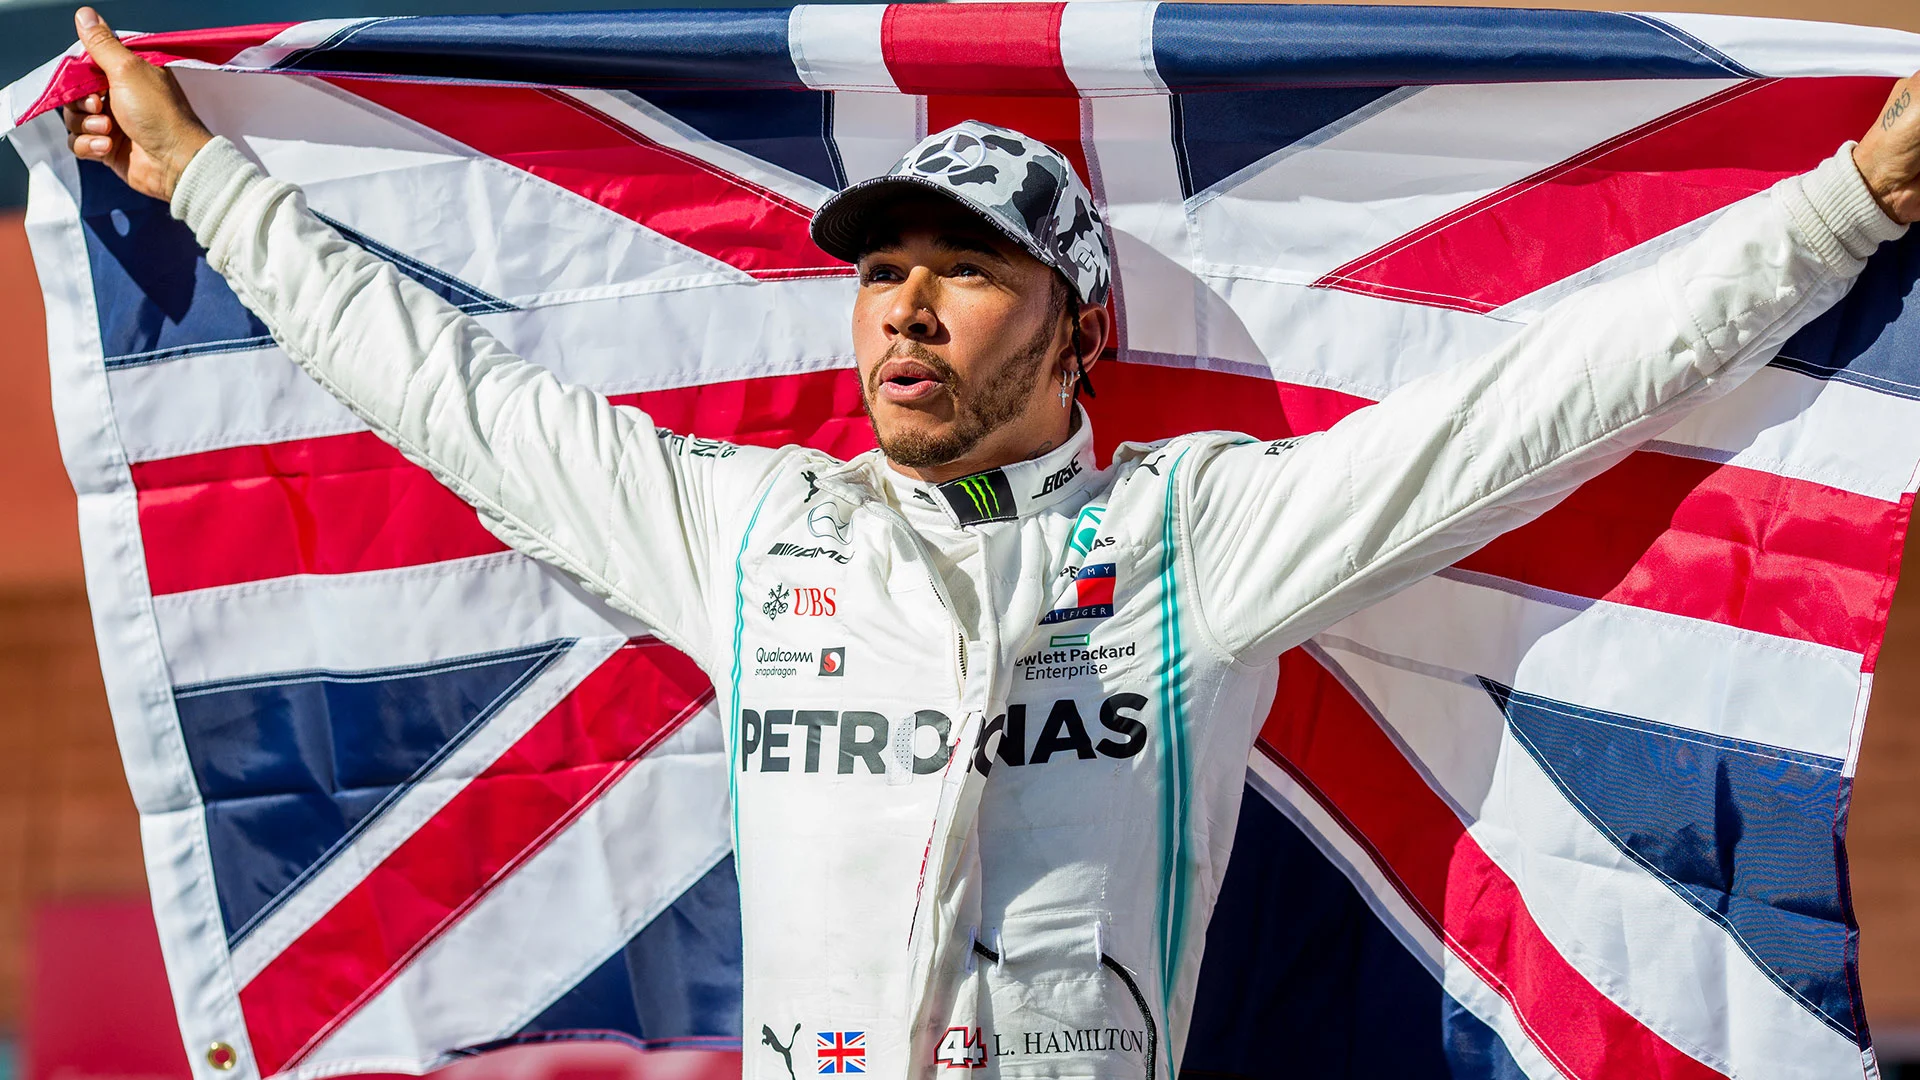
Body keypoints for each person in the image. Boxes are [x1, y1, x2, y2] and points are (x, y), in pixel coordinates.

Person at [62, 6, 1920, 1078]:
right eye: (882, 274)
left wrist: (1842, 207)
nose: (907, 313)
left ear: (1076, 332)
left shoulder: (1202, 543)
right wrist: (206, 174)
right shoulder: (745, 535)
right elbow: (442, 389)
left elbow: (1536, 404)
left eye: (965, 275)